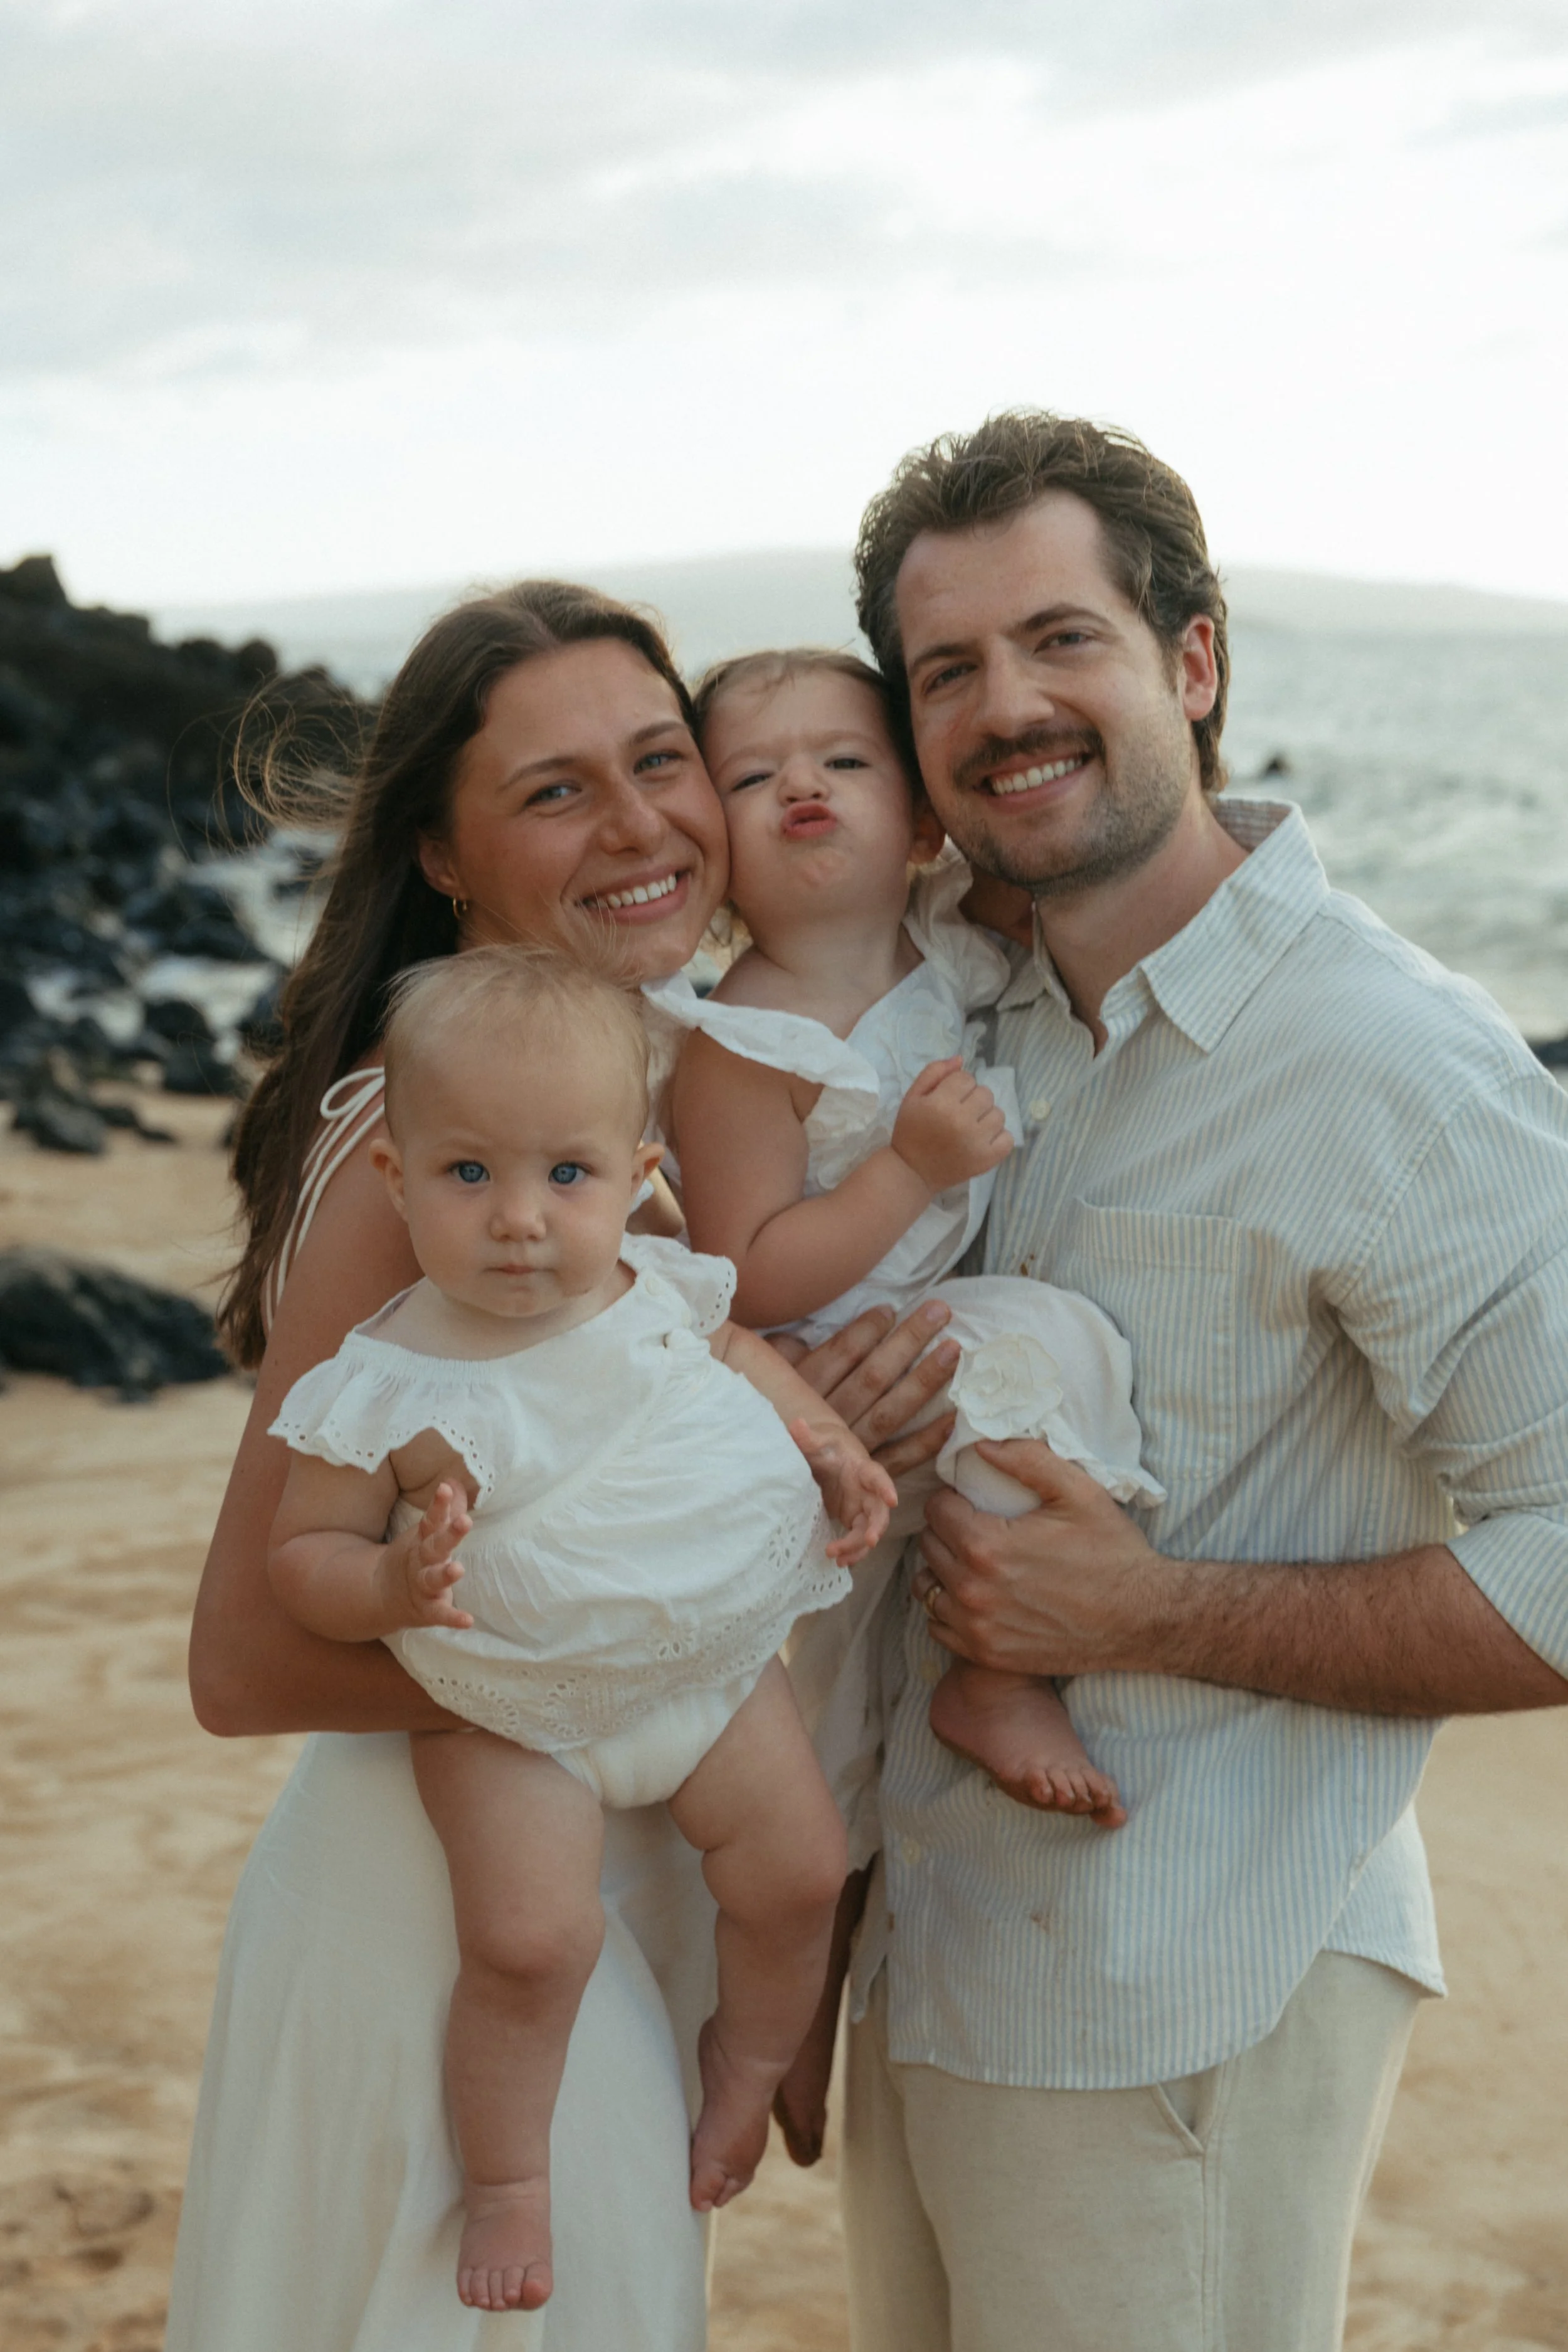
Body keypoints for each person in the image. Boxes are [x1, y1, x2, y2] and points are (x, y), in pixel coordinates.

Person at [799, 410, 1568, 2352]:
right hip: (941, 1957)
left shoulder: (1382, 1061)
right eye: (947, 667)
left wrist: (1147, 1609)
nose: (1004, 705)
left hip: (1184, 1989)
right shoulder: (966, 1011)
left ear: (1194, 660)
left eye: (1063, 638)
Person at [167, 580, 961, 2352]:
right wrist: (680, 1645)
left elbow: (605, 1444)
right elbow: (241, 1659)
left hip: (570, 1883)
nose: (641, 826)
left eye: (663, 760)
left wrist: (793, 1452)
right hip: (451, 1926)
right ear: (441, 857)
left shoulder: (592, 1132)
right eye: (553, 791)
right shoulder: (430, 1141)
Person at [265, 943, 891, 2312]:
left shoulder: (655, 1290)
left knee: (799, 1873)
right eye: (468, 1174)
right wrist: (384, 1591)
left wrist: (829, 1444)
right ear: (395, 1178)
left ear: (638, 1174)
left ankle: (741, 2062)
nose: (518, 1221)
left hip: (706, 1668)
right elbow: (298, 1555)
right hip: (510, 1714)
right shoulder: (382, 1377)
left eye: (566, 1175)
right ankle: (510, 2182)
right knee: (530, 1945)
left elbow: (744, 1359)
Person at [655, 647, 1162, 1835]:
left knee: (842, 1731)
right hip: (828, 1355)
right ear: (712, 846)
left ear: (923, 822)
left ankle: (964, 1662)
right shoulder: (744, 1040)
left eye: (844, 760)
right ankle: (996, 1677)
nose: (802, 788)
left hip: (913, 1326)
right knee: (1049, 1341)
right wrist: (907, 1171)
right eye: (752, 777)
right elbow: (745, 1271)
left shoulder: (942, 945)